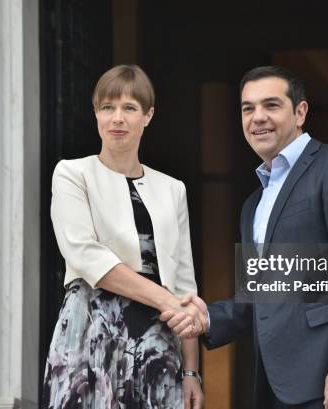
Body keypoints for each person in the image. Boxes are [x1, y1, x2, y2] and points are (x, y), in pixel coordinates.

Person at [161, 66, 328, 409]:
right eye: (248, 108)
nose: (258, 118)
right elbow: (257, 295)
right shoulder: (253, 204)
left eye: (271, 105)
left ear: (300, 112)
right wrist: (206, 318)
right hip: (277, 386)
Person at [42, 64, 205, 409]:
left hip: (158, 340)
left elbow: (185, 285)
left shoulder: (173, 189)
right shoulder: (72, 173)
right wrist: (168, 302)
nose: (117, 118)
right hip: (92, 328)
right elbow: (86, 255)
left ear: (148, 116)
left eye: (129, 108)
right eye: (107, 107)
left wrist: (192, 372)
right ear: (96, 114)